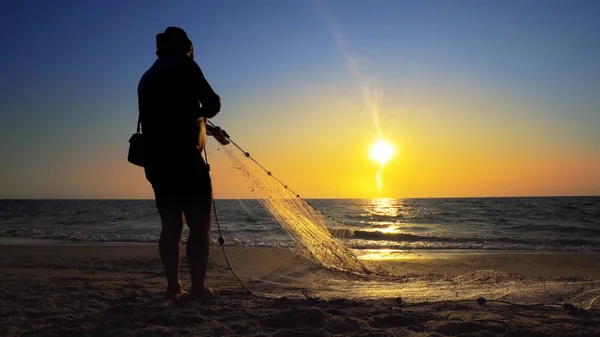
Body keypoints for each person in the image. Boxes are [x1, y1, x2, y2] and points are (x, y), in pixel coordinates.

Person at [138, 26, 225, 300]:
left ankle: (173, 286)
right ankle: (198, 288)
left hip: (157, 162)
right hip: (186, 159)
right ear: (185, 46)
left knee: (171, 226)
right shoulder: (185, 65)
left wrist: (207, 127)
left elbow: (168, 116)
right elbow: (211, 104)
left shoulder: (147, 77)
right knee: (199, 226)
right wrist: (205, 115)